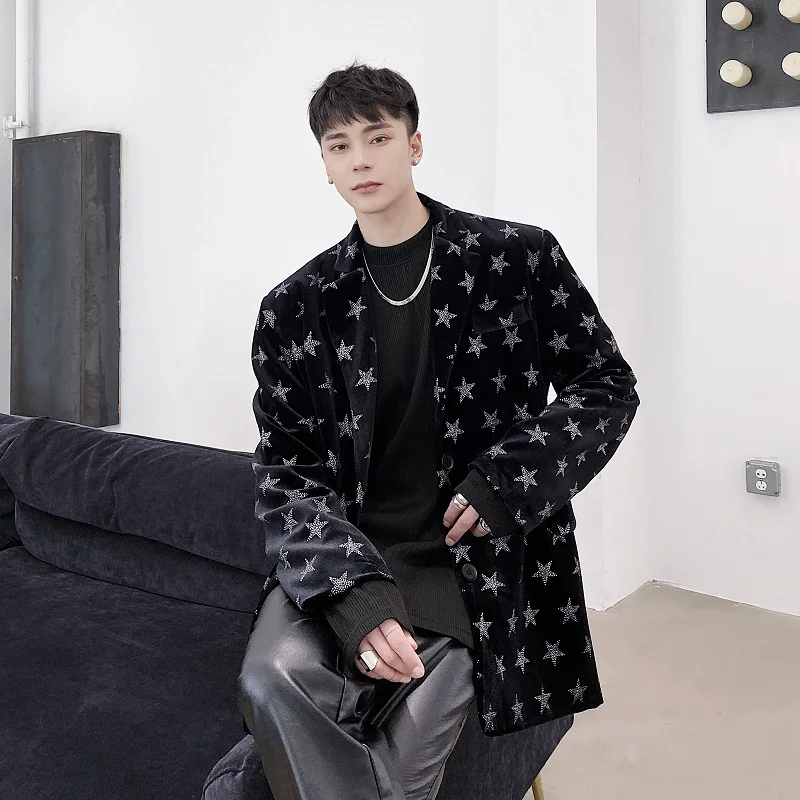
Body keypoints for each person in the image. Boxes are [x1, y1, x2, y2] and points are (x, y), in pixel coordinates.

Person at [237, 60, 640, 800]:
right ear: (323, 163)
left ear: (414, 144)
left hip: (473, 558)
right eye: (338, 146)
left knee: (407, 753)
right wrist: (352, 595)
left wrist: (505, 482)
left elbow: (607, 387)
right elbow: (285, 472)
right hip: (353, 549)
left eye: (377, 137)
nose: (360, 160)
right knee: (269, 677)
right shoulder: (294, 307)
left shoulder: (517, 259)